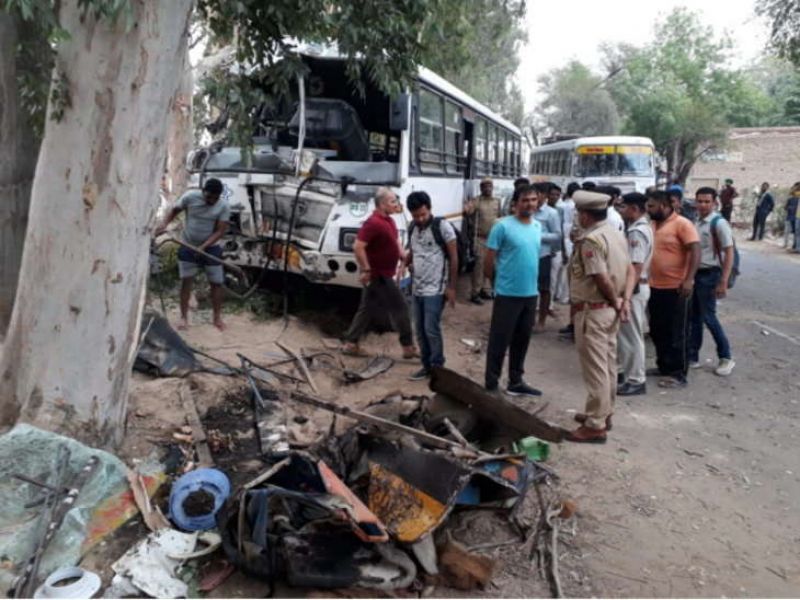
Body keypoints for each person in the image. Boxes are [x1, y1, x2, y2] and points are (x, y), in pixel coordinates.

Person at [566, 190, 634, 443]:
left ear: (584, 215)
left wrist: (615, 299)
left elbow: (599, 275)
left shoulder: (592, 240)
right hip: (610, 310)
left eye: (578, 214)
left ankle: (595, 425)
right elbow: (630, 270)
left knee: (595, 369)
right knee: (607, 365)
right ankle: (604, 413)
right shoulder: (615, 233)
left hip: (594, 310)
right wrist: (623, 301)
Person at [343, 188, 417, 359]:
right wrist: (366, 269)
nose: (396, 204)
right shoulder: (373, 223)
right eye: (392, 202)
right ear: (382, 204)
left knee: (367, 308)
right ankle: (408, 347)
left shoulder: (389, 221)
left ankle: (351, 343)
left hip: (383, 274)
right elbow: (358, 247)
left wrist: (402, 256)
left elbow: (395, 240)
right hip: (379, 275)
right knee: (401, 308)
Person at [484, 185, 543, 397]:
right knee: (499, 341)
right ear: (515, 203)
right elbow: (489, 260)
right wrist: (496, 285)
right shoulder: (502, 227)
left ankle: (516, 381)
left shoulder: (537, 226)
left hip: (530, 294)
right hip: (507, 295)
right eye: (525, 200)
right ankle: (491, 384)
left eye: (534, 200)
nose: (530, 204)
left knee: (522, 340)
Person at [156, 178, 230, 331]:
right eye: (209, 197)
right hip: (188, 245)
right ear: (203, 192)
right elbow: (175, 210)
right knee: (186, 282)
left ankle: (217, 318)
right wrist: (164, 224)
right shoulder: (190, 197)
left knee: (216, 283)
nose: (212, 201)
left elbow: (220, 231)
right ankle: (184, 318)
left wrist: (203, 247)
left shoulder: (223, 206)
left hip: (211, 247)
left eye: (215, 198)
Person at [646, 190, 701, 389]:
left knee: (677, 332)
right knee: (657, 329)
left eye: (651, 206)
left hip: (677, 288)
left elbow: (695, 250)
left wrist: (688, 279)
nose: (648, 209)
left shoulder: (682, 224)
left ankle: (678, 373)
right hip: (654, 286)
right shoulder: (653, 224)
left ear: (664, 205)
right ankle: (664, 366)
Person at [404, 192, 459, 381]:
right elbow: (413, 250)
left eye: (423, 214)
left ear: (430, 209)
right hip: (417, 287)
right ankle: (426, 367)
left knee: (431, 329)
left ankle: (437, 367)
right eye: (415, 215)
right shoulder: (413, 227)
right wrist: (403, 264)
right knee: (419, 330)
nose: (420, 219)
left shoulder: (442, 227)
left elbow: (453, 257)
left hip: (436, 289)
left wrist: (451, 287)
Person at [688, 187, 735, 377]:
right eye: (699, 201)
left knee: (709, 317)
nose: (702, 205)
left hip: (710, 274)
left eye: (707, 201)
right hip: (697, 274)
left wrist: (723, 281)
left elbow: (729, 252)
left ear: (715, 202)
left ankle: (726, 357)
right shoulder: (697, 222)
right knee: (695, 317)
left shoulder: (719, 223)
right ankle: (692, 356)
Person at [617, 193, 653, 396]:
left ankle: (636, 379)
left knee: (632, 336)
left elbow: (636, 266)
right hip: (638, 287)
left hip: (636, 288)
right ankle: (628, 373)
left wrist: (626, 296)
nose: (622, 211)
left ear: (634, 209)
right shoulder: (643, 228)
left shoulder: (637, 233)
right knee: (629, 335)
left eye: (624, 207)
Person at [464, 178, 501, 304]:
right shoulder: (476, 201)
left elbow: (500, 218)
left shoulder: (497, 201)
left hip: (494, 239)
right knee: (478, 267)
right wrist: (467, 207)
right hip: (479, 238)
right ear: (481, 188)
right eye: (485, 186)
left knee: (490, 265)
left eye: (489, 186)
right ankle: (475, 293)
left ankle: (484, 290)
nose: (487, 188)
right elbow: (468, 210)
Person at [533, 182, 562, 329]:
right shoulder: (528, 210)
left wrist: (538, 235)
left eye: (538, 194)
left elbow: (557, 236)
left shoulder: (551, 213)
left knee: (544, 289)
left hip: (542, 255)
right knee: (529, 288)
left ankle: (541, 321)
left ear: (544, 196)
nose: (535, 197)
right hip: (527, 255)